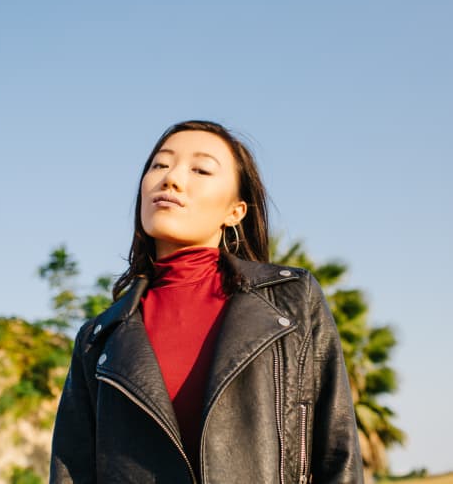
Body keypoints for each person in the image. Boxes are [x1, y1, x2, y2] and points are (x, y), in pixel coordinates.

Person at [49, 120, 363, 483]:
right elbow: (71, 472)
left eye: (201, 169)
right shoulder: (99, 338)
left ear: (235, 211)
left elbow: (338, 455)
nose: (171, 179)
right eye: (160, 165)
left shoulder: (291, 300)